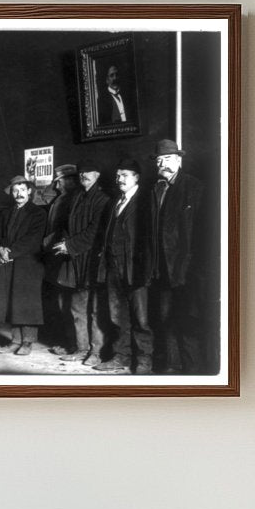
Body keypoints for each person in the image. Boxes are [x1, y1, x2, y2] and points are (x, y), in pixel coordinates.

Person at [148, 139, 204, 374]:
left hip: (186, 270)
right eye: (159, 160)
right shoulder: (156, 189)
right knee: (164, 320)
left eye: (168, 159)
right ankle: (171, 369)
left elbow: (200, 233)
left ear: (179, 160)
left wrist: (189, 268)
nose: (162, 163)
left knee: (186, 323)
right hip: (162, 270)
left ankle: (193, 373)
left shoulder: (194, 187)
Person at [95, 159, 153, 374]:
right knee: (117, 317)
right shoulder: (115, 202)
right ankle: (121, 357)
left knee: (141, 318)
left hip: (136, 269)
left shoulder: (146, 201)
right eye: (118, 175)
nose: (120, 179)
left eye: (125, 175)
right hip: (114, 268)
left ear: (136, 177)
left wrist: (145, 269)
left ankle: (144, 361)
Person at [50, 162, 110, 364]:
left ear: (98, 174)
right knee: (76, 307)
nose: (84, 175)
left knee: (94, 310)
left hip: (92, 260)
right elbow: (68, 225)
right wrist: (66, 243)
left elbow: (95, 232)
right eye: (82, 172)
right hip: (75, 259)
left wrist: (70, 245)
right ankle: (81, 348)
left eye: (89, 172)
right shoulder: (77, 197)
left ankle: (96, 352)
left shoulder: (102, 199)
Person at [0, 175, 46, 355]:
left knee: (26, 302)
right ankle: (15, 340)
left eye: (22, 190)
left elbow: (33, 239)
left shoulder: (38, 213)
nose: (19, 194)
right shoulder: (7, 212)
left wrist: (10, 252)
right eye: (15, 190)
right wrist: (0, 249)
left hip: (28, 264)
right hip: (8, 261)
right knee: (12, 301)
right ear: (11, 193)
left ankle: (27, 342)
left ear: (29, 191)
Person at [42, 164, 82, 354]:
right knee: (61, 303)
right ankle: (68, 342)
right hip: (56, 258)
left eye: (60, 181)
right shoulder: (60, 199)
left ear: (71, 181)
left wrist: (48, 242)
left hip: (67, 258)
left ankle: (75, 346)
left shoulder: (73, 200)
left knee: (72, 305)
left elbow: (64, 229)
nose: (57, 186)